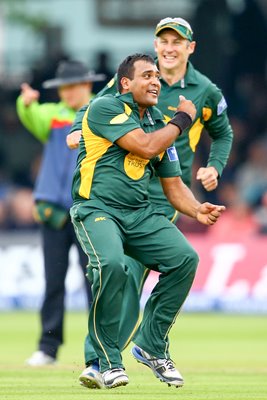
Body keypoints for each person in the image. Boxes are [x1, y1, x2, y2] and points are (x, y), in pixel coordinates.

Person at [67, 17, 233, 390]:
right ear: (126, 83)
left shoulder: (187, 101)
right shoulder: (110, 106)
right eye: (147, 76)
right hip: (98, 209)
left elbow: (174, 184)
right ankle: (103, 361)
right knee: (115, 269)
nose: (155, 80)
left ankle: (150, 345)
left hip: (146, 209)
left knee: (185, 259)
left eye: (156, 77)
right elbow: (145, 145)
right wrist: (180, 120)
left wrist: (197, 208)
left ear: (191, 47)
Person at [16, 60, 105, 366]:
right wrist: (24, 102)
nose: (68, 93)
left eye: (74, 86)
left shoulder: (101, 112)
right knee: (54, 281)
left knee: (95, 283)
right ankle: (48, 347)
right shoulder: (53, 116)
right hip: (54, 211)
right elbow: (31, 113)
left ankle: (99, 353)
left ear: (87, 85)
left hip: (90, 210)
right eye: (64, 87)